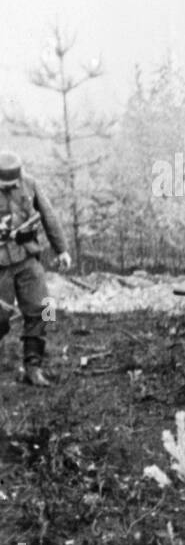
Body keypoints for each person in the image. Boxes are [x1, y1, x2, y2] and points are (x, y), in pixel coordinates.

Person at [0, 151, 72, 387]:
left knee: (44, 310)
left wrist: (61, 249)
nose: (10, 187)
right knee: (1, 317)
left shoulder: (30, 185)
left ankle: (33, 367)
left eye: (13, 183)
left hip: (27, 259)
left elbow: (48, 216)